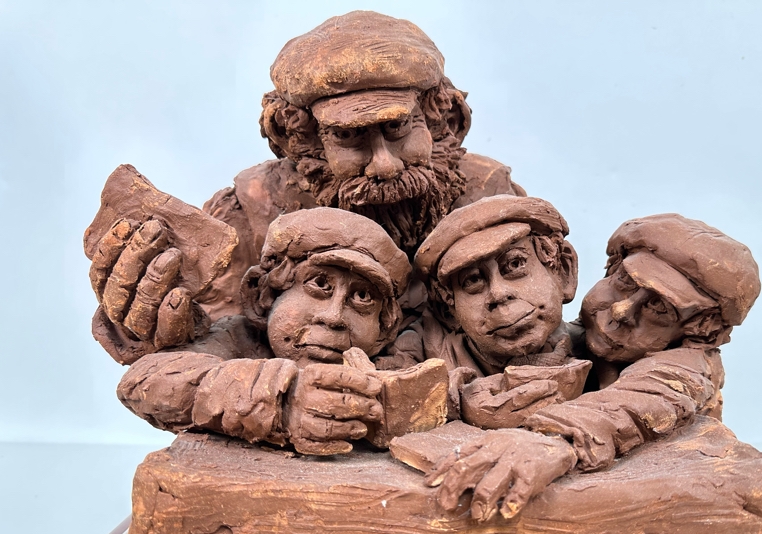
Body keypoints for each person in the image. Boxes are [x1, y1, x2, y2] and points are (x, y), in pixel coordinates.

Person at [87, 11, 526, 364]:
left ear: (439, 119)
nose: (384, 165)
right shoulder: (254, 211)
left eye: (397, 128)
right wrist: (157, 324)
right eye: (349, 136)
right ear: (302, 139)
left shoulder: (488, 193)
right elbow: (214, 341)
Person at [428, 213, 761, 522]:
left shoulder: (688, 364)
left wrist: (551, 438)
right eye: (624, 282)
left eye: (659, 307)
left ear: (695, 332)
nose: (620, 311)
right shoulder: (559, 336)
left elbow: (644, 397)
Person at [117, 207, 420, 456]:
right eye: (319, 284)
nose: (334, 317)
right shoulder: (240, 338)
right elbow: (142, 381)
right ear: (264, 298)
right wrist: (281, 401)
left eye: (363, 298)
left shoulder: (394, 362)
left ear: (385, 329)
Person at [379, 194, 584, 428]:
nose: (498, 294)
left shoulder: (598, 342)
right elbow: (382, 394)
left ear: (563, 272)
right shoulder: (420, 349)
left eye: (515, 264)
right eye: (472, 280)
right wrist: (457, 401)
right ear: (448, 309)